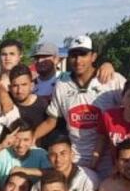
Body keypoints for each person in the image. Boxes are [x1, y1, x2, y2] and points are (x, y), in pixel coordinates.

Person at [35, 35, 125, 180]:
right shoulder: (62, 84)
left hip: (108, 160)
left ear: (93, 56)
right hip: (74, 159)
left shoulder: (113, 79)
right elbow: (52, 120)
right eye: (73, 55)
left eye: (83, 54)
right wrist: (31, 138)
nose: (78, 60)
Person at [26, 135, 97, 191]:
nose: (58, 159)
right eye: (53, 155)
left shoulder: (88, 179)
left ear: (72, 154)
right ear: (48, 158)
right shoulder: (41, 184)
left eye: (63, 153)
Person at [0, 121, 50, 188]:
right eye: (17, 140)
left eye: (26, 140)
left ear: (33, 140)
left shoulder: (40, 153)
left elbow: (54, 173)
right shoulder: (3, 152)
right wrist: (1, 146)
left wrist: (24, 170)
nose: (21, 145)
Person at [7, 64, 50, 132]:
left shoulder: (43, 105)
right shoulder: (6, 101)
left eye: (24, 85)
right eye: (15, 86)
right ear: (9, 88)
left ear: (32, 85)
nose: (19, 90)